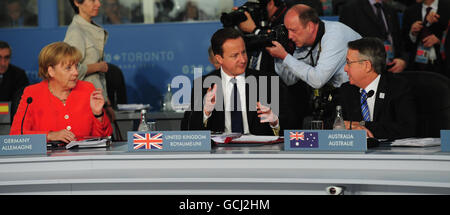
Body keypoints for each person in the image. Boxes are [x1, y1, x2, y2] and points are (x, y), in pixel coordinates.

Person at [266, 4, 361, 127]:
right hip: (331, 100)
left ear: (310, 26)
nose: (289, 36)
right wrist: (279, 57)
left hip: (357, 98)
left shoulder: (335, 35)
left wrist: (285, 56)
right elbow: (290, 80)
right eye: (287, 31)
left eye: (293, 30)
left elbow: (318, 80)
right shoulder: (304, 41)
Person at [183, 28, 285, 135]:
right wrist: (205, 112)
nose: (243, 59)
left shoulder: (268, 81)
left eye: (244, 52)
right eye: (235, 55)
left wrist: (275, 122)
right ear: (219, 59)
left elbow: (291, 123)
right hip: (219, 150)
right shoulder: (204, 85)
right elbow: (187, 129)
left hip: (260, 149)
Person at [10, 42, 113, 143]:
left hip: (83, 158)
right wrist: (50, 135)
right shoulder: (32, 94)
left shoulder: (87, 89)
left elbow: (104, 138)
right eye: (68, 68)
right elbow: (16, 135)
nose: (76, 72)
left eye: (76, 66)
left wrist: (98, 114)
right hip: (47, 159)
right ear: (51, 71)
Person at [338, 37, 417, 140]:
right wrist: (345, 125)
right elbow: (326, 122)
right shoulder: (347, 90)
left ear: (367, 66)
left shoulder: (398, 87)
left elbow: (407, 129)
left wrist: (360, 126)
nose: (345, 69)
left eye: (349, 63)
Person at [64, 0, 115, 122]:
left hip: (97, 98)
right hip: (84, 101)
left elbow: (98, 78)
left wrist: (107, 102)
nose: (98, 4)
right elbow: (68, 70)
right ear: (77, 2)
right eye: (92, 0)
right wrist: (98, 67)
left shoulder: (89, 27)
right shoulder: (76, 32)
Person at [339, 0, 408, 73]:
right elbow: (347, 42)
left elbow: (399, 41)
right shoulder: (351, 8)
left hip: (392, 67)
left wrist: (403, 60)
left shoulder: (391, 10)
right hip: (366, 71)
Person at [402, 0, 450, 74]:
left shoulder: (447, 7)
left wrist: (440, 41)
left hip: (443, 67)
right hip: (416, 68)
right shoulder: (410, 11)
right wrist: (412, 34)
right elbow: (404, 44)